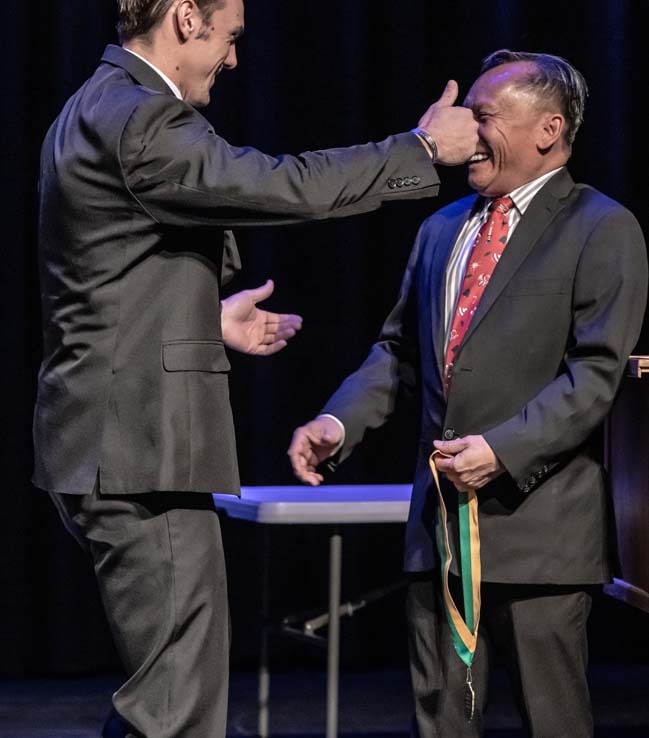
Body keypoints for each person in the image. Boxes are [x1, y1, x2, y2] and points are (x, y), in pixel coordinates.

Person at [32, 0, 479, 735]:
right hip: (140, 448)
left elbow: (96, 276)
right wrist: (421, 149)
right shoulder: (141, 114)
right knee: (176, 703)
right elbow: (279, 185)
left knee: (169, 687)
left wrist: (204, 319)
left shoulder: (93, 105)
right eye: (229, 37)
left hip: (112, 439)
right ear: (184, 17)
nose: (235, 59)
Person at [289, 49, 648, 738]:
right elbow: (397, 352)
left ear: (547, 129)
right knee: (441, 723)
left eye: (481, 116)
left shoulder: (601, 227)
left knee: (553, 723)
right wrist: (340, 420)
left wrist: (501, 450)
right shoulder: (440, 229)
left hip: (539, 531)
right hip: (440, 534)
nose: (462, 131)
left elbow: (596, 374)